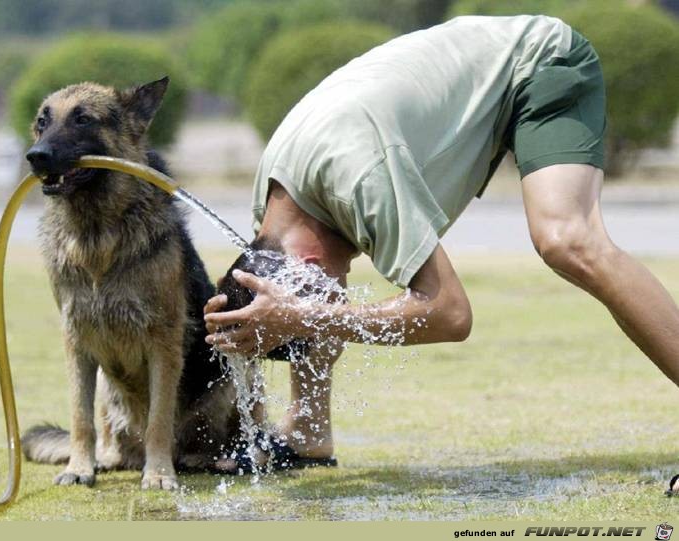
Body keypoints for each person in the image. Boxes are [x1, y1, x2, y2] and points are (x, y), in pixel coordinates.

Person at [203, 15, 679, 469]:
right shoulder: (275, 213)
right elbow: (310, 299)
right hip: (472, 77)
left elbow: (450, 313)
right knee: (313, 304)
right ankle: (308, 428)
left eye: (312, 296)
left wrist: (302, 315)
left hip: (539, 60)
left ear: (305, 261)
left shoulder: (360, 178)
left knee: (567, 240)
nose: (334, 294)